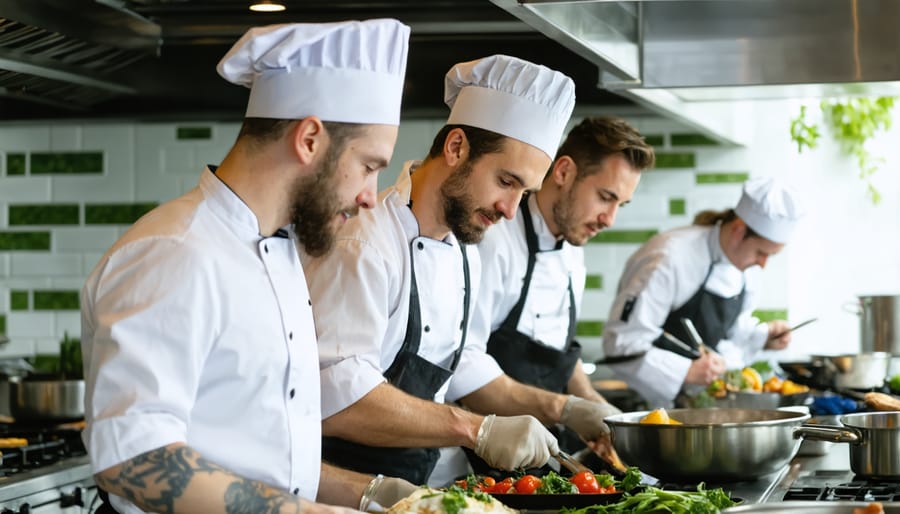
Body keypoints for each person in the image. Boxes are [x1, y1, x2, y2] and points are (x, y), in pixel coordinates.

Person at [80, 20, 418, 514]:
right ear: (309, 139)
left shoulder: (278, 251)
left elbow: (256, 455)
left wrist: (367, 493)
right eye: (369, 166)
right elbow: (131, 458)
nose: (370, 197)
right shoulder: (176, 251)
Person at [303, 54, 622, 486]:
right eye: (506, 182)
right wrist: (476, 429)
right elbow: (339, 397)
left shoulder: (463, 247)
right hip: (346, 489)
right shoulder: (365, 244)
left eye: (524, 191)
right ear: (456, 148)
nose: (510, 210)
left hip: (429, 481)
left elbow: (464, 364)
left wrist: (562, 408)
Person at [469, 117, 655, 455]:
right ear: (564, 172)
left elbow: (559, 351)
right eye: (605, 197)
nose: (610, 219)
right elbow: (466, 369)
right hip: (485, 452)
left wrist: (596, 406)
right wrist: (566, 409)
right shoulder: (495, 242)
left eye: (620, 205)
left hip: (544, 451)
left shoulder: (572, 252)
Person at [602, 177, 804, 408]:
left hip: (705, 407)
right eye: (761, 252)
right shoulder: (669, 257)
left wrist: (763, 337)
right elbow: (622, 342)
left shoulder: (746, 270)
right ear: (738, 231)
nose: (763, 264)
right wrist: (684, 371)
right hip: (651, 406)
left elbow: (726, 335)